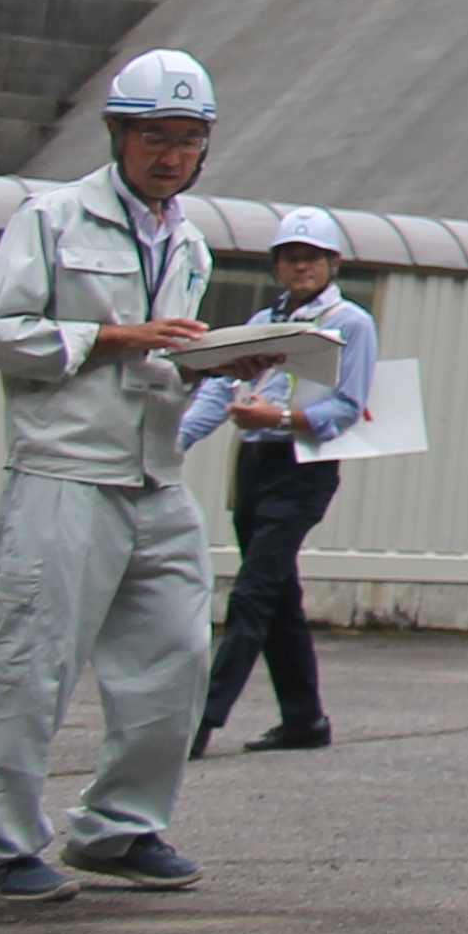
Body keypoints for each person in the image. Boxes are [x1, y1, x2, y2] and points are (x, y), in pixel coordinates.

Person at [0, 48, 224, 902]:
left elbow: (163, 359)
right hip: (66, 474)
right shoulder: (53, 219)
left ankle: (119, 828)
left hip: (155, 472)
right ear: (117, 132)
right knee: (34, 658)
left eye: (188, 139)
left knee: (177, 655)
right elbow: (2, 334)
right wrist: (111, 338)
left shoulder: (187, 238)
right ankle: (1, 843)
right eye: (155, 135)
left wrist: (216, 363)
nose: (171, 154)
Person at [180, 205, 378, 759]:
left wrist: (283, 420)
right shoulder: (260, 324)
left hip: (303, 468)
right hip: (255, 465)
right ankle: (305, 719)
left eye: (311, 258)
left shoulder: (350, 324)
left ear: (333, 263)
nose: (301, 268)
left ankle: (199, 721)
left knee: (253, 592)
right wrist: (174, 443)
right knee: (277, 597)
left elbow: (348, 407)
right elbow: (218, 392)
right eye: (291, 258)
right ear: (276, 267)